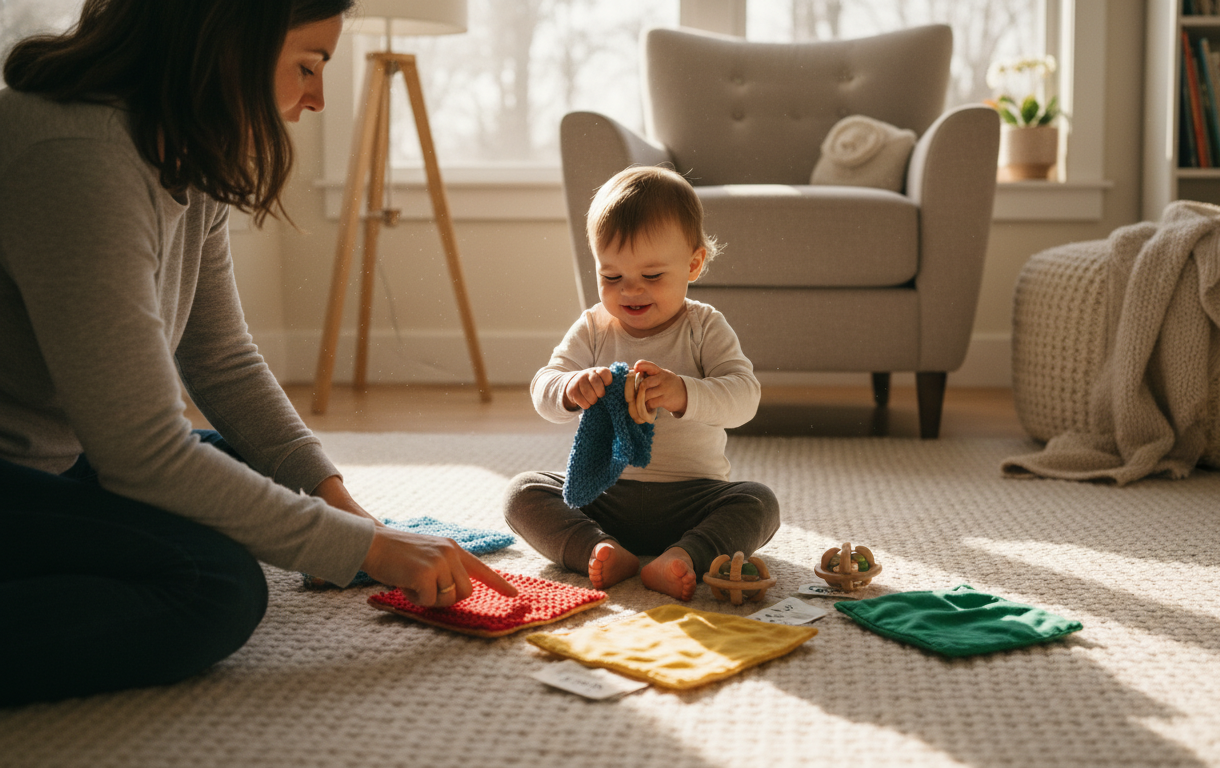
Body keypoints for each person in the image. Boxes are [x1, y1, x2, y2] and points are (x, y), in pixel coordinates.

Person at [0, 0, 515, 707]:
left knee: (253, 475)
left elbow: (221, 358)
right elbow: (143, 454)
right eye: (307, 65)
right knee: (215, 586)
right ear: (229, 41)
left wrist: (346, 511)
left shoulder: (181, 147)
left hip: (56, 458)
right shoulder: (76, 153)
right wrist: (369, 551)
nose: (317, 97)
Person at [504, 166, 779, 601]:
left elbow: (744, 396)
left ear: (693, 264)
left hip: (694, 497)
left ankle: (684, 556)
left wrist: (684, 392)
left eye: (651, 276)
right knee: (522, 492)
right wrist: (571, 387)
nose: (630, 290)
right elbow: (544, 386)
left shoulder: (704, 326)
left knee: (758, 502)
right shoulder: (594, 328)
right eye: (611, 276)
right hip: (605, 495)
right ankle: (600, 548)